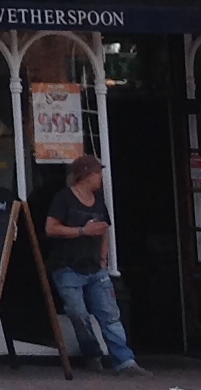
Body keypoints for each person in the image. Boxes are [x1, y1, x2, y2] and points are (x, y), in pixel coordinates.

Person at [43, 153, 144, 374]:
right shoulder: (64, 198)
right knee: (78, 313)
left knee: (110, 315)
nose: (101, 178)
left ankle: (125, 361)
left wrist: (103, 254)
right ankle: (92, 354)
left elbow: (104, 227)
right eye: (98, 173)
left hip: (95, 267)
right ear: (86, 175)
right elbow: (50, 228)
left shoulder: (98, 201)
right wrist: (81, 231)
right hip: (67, 266)